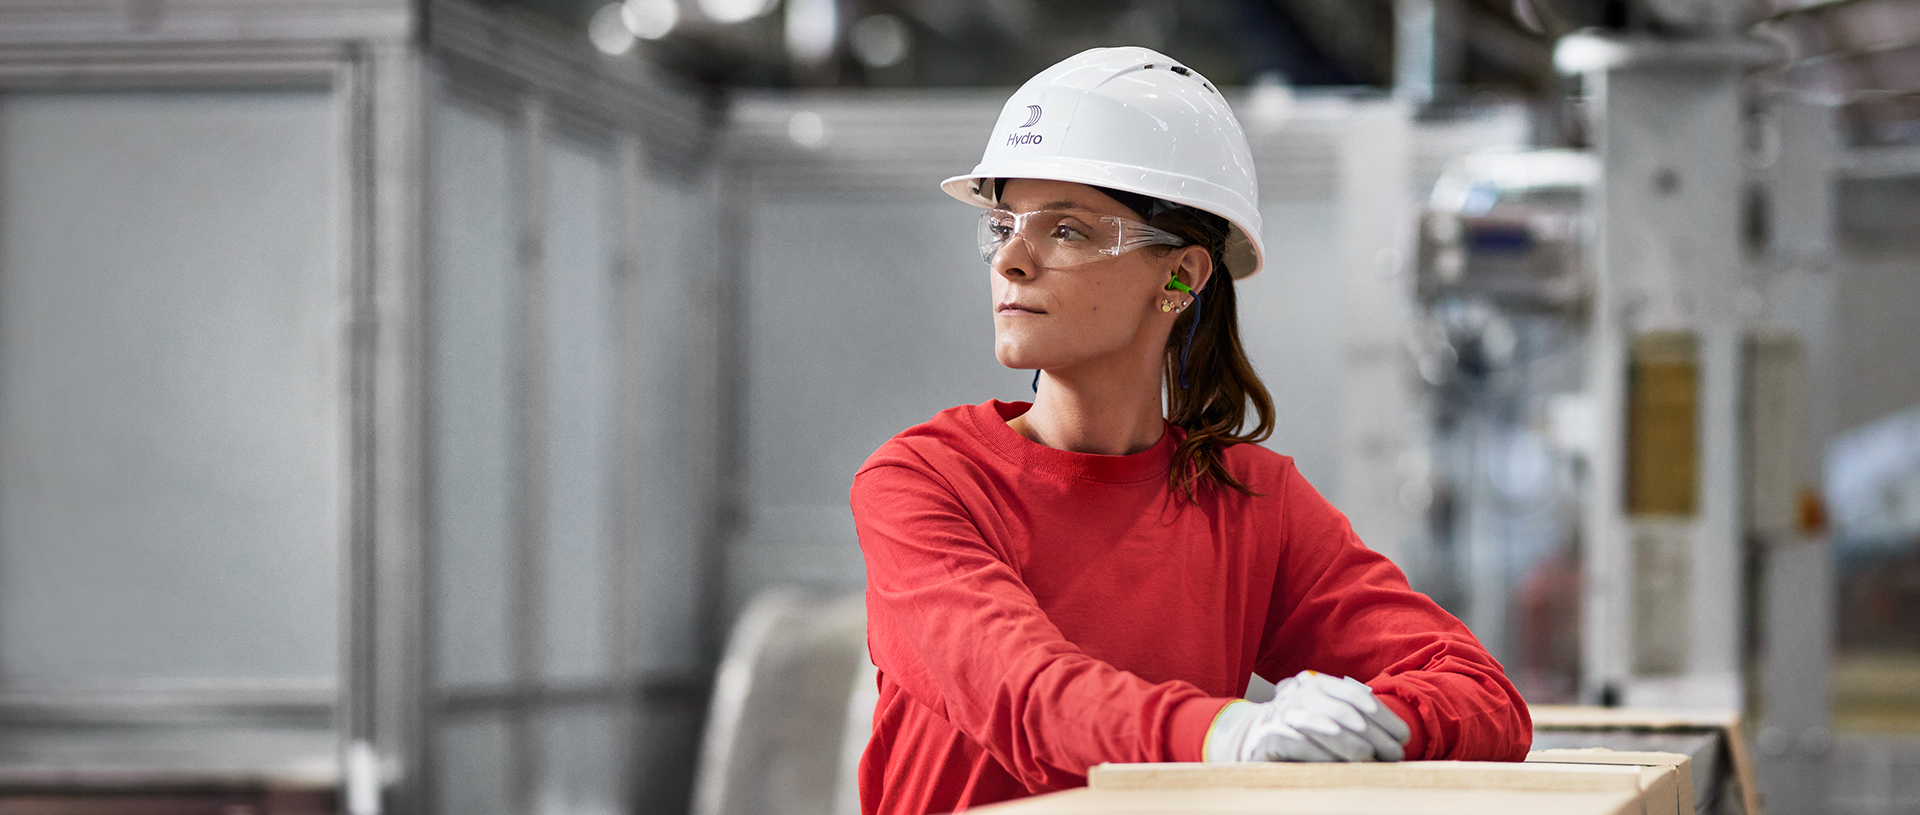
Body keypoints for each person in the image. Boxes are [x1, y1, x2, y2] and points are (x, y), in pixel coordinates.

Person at [849, 47, 1530, 815]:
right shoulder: (922, 482)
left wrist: (1369, 723)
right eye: (1004, 224)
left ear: (1181, 276)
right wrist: (1232, 734)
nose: (1010, 259)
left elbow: (1484, 696)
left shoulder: (1250, 502)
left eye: (1066, 230)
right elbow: (1026, 694)